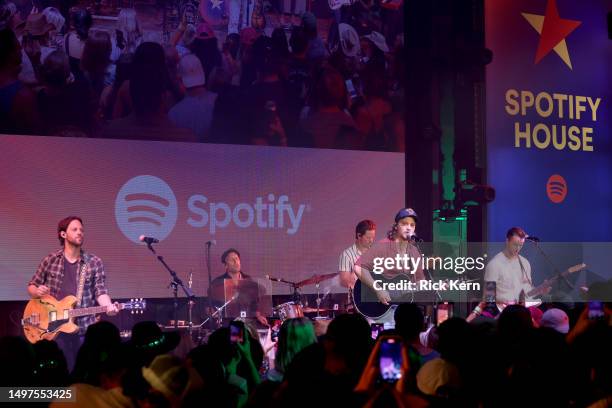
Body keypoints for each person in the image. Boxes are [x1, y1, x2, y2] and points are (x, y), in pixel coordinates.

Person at [27, 216, 119, 370]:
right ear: (63, 234)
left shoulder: (94, 262)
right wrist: (37, 291)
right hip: (53, 328)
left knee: (84, 371)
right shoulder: (50, 260)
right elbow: (31, 286)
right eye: (75, 229)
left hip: (84, 328)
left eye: (82, 230)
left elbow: (101, 291)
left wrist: (108, 306)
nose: (80, 233)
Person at [353, 208, 425, 306]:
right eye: (404, 224)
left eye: (412, 225)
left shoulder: (415, 252)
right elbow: (358, 267)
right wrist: (378, 289)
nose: (409, 228)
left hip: (403, 306)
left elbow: (420, 282)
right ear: (396, 226)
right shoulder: (383, 246)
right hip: (381, 307)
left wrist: (436, 286)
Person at [209, 248, 268, 326]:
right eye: (232, 260)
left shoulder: (249, 281)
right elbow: (210, 306)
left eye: (237, 259)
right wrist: (214, 314)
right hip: (228, 323)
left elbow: (255, 303)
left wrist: (259, 315)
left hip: (249, 322)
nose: (235, 262)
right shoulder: (218, 282)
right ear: (226, 265)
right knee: (236, 335)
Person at [483, 227, 539, 307]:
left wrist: (539, 290)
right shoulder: (494, 264)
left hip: (521, 309)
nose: (518, 248)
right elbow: (489, 297)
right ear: (507, 241)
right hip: (504, 311)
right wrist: (508, 301)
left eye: (521, 245)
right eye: (515, 245)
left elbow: (527, 291)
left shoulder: (525, 263)